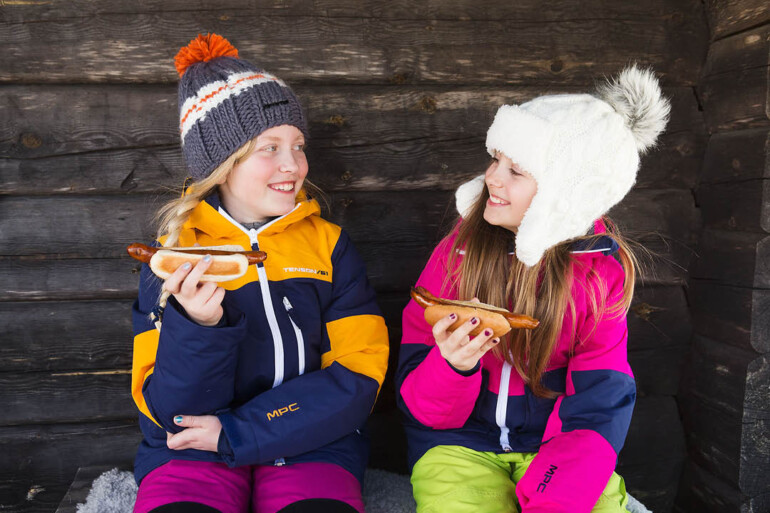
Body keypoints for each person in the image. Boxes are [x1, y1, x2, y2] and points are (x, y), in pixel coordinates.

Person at [130, 33, 389, 513]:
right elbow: (165, 409)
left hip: (312, 442)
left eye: (298, 145)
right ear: (222, 164)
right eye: (269, 147)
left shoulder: (330, 246)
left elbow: (360, 372)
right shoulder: (172, 256)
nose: (293, 164)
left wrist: (243, 431)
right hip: (190, 453)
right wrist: (198, 326)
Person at [396, 65, 670, 513]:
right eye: (495, 160)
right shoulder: (457, 255)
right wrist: (452, 366)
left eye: (516, 170)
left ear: (565, 195)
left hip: (557, 448)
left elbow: (599, 403)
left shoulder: (599, 276)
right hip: (457, 445)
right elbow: (423, 408)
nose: (492, 177)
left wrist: (556, 500)